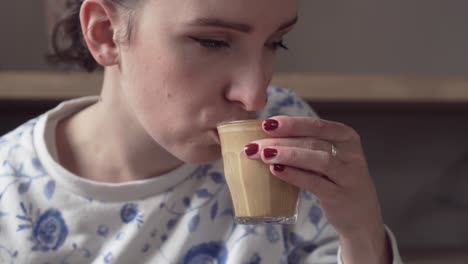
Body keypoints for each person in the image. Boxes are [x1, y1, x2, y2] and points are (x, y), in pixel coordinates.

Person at [0, 0, 404, 263]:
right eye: (212, 42)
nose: (254, 94)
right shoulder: (10, 193)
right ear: (106, 33)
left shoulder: (284, 130)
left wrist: (363, 236)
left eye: (275, 43)